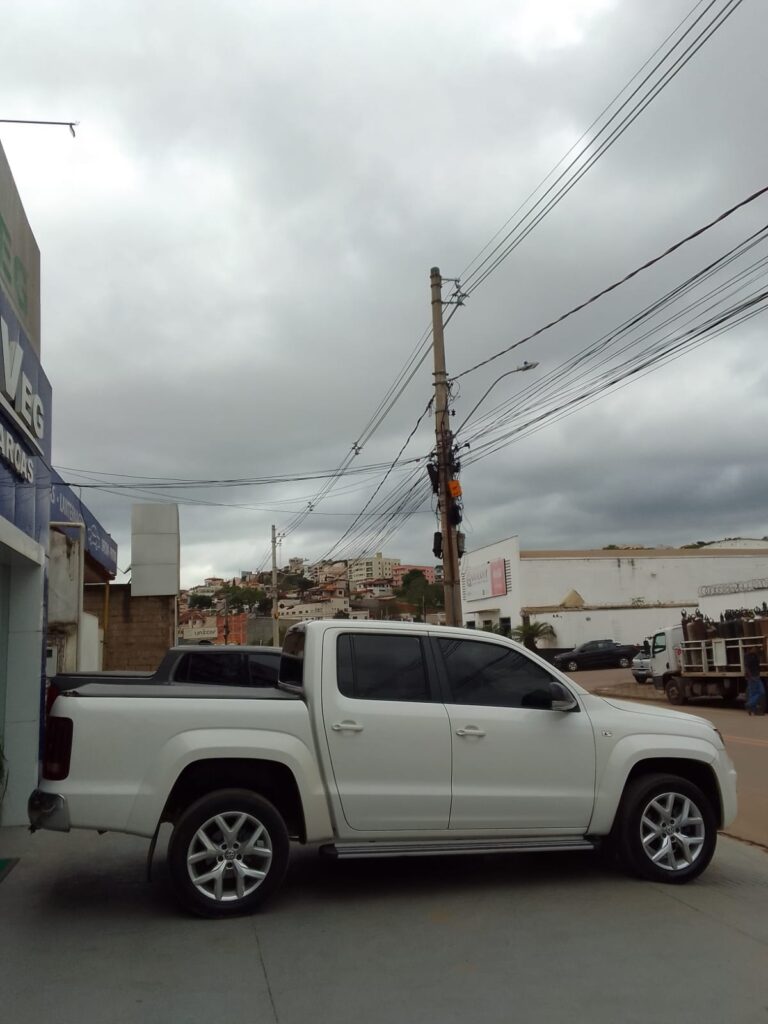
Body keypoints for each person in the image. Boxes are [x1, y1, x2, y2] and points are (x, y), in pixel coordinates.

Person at [744, 649, 766, 717]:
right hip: (752, 677)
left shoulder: (755, 655)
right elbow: (746, 667)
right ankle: (750, 705)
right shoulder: (748, 656)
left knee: (754, 693)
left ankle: (752, 709)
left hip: (756, 676)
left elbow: (757, 666)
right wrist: (750, 676)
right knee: (760, 692)